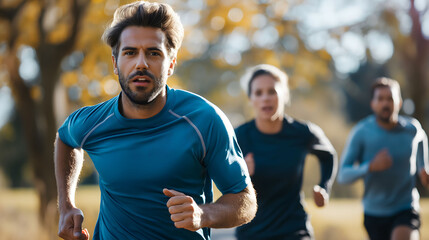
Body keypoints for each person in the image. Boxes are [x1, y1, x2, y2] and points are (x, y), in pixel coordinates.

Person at [54, 1, 257, 239]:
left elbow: (245, 201)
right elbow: (65, 139)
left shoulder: (204, 120)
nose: (141, 63)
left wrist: (202, 215)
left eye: (153, 53)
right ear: (115, 64)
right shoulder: (93, 122)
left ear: (170, 64)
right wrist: (66, 205)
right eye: (130, 53)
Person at [234, 64, 338, 240]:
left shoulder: (303, 132)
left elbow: (328, 155)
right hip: (252, 233)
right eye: (258, 93)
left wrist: (324, 187)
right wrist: (241, 176)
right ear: (251, 99)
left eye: (272, 92)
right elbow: (223, 184)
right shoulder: (238, 136)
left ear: (284, 95)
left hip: (294, 229)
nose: (265, 98)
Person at [337, 77, 429, 240]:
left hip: (405, 207)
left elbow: (422, 138)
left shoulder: (412, 129)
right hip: (374, 213)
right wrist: (369, 167)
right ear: (373, 103)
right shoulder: (361, 132)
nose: (385, 104)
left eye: (390, 99)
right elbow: (343, 175)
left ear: (399, 102)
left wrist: (424, 166)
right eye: (380, 99)